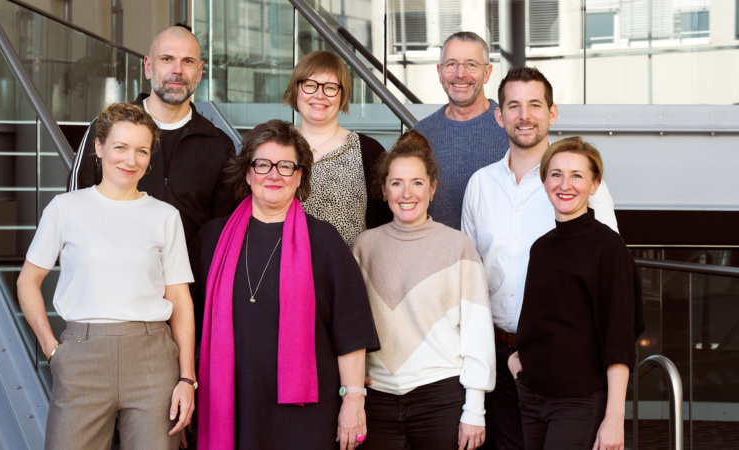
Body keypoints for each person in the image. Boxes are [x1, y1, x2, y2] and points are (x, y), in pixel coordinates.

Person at [17, 103, 196, 449]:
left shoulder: (165, 216)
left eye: (142, 151)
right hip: (82, 355)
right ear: (99, 148)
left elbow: (180, 301)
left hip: (152, 359)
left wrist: (187, 377)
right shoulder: (65, 208)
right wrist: (52, 350)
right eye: (120, 147)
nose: (131, 160)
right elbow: (27, 281)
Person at [195, 120, 380, 449]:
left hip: (306, 413)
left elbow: (351, 330)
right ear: (248, 171)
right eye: (263, 164)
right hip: (231, 403)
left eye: (286, 166)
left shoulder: (324, 241)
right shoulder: (211, 239)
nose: (273, 175)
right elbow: (188, 327)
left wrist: (354, 400)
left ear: (300, 176)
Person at [460, 67, 619, 450]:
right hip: (496, 354)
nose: (524, 115)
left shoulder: (576, 186)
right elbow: (468, 279)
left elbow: (609, 282)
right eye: (513, 106)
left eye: (534, 104)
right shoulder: (480, 184)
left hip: (563, 365)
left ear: (553, 113)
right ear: (499, 116)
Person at [352, 131, 495, 450]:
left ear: (432, 188)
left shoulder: (457, 245)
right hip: (377, 403)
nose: (406, 193)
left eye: (417, 182)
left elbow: (478, 333)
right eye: (396, 182)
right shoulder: (365, 247)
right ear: (384, 188)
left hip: (441, 400)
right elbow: (350, 325)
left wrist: (475, 409)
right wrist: (351, 384)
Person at [507, 137, 645, 449]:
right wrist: (517, 360)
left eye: (577, 175)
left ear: (594, 185)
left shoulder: (608, 248)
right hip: (532, 398)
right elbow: (541, 322)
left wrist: (613, 419)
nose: (564, 184)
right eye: (556, 174)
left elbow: (620, 342)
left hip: (578, 403)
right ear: (544, 182)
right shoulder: (541, 248)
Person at [68, 25, 235, 245]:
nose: (177, 70)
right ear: (148, 66)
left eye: (188, 61)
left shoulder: (218, 145)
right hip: (118, 275)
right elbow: (75, 210)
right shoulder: (107, 129)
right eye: (166, 59)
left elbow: (225, 232)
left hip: (189, 278)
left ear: (200, 71)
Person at [282, 50, 391, 246]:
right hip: (283, 272)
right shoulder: (274, 145)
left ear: (342, 95)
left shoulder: (369, 152)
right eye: (310, 85)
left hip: (348, 272)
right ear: (296, 89)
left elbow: (385, 225)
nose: (319, 95)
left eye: (330, 88)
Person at [413, 32, 509, 230]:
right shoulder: (420, 135)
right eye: (451, 64)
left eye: (471, 64)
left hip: (497, 258)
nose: (460, 74)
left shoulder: (510, 129)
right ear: (440, 72)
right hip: (439, 257)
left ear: (487, 72)